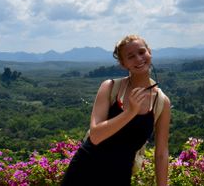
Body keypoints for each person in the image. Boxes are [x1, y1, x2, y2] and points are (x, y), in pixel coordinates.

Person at [62, 35, 171, 186]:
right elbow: (95, 136)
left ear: (149, 52)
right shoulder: (110, 87)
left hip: (120, 174)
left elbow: (161, 153)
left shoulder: (161, 102)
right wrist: (130, 112)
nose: (138, 59)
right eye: (131, 56)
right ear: (123, 64)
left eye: (141, 52)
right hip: (85, 169)